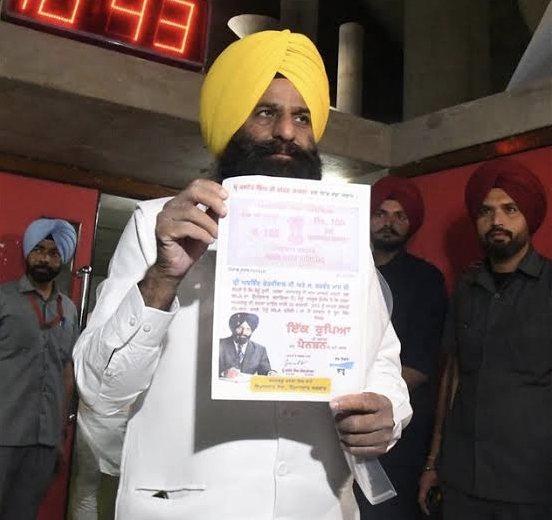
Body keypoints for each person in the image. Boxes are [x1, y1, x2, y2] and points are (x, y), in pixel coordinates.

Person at [73, 29, 412, 520]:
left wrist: (388, 411)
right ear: (231, 122)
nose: (287, 132)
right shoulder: (155, 225)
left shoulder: (343, 239)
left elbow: (381, 358)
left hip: (315, 505)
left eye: (302, 117)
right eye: (265, 112)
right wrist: (163, 278)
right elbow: (99, 387)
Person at [418, 158, 552, 520]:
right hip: (462, 479)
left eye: (510, 209)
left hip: (532, 484)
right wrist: (433, 461)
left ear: (529, 216)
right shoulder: (466, 287)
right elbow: (452, 376)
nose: (497, 221)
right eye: (486, 211)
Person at [354, 177, 447, 520]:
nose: (388, 223)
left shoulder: (426, 280)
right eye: (380, 213)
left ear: (412, 224)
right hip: (337, 424)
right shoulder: (347, 271)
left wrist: (360, 400)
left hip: (398, 431)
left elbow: (420, 365)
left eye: (400, 216)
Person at [0, 218, 78, 520]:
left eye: (54, 253)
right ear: (28, 253)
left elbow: (67, 371)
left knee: (24, 514)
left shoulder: (68, 309)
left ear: (62, 260)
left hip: (44, 441)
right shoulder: (4, 299)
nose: (45, 258)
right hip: (4, 432)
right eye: (39, 250)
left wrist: (59, 433)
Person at [219, 312, 273, 377]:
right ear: (232, 328)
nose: (243, 332)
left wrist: (271, 374)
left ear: (252, 331)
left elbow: (265, 372)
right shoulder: (219, 344)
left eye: (248, 329)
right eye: (240, 328)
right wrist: (223, 373)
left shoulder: (260, 350)